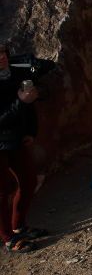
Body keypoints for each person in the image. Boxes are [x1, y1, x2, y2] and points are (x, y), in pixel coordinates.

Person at [0, 42, 47, 253]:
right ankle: (8, 237)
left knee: (28, 181)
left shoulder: (14, 73)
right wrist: (20, 101)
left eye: (2, 53)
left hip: (15, 138)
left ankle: (18, 226)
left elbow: (29, 105)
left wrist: (31, 131)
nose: (1, 58)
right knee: (1, 192)